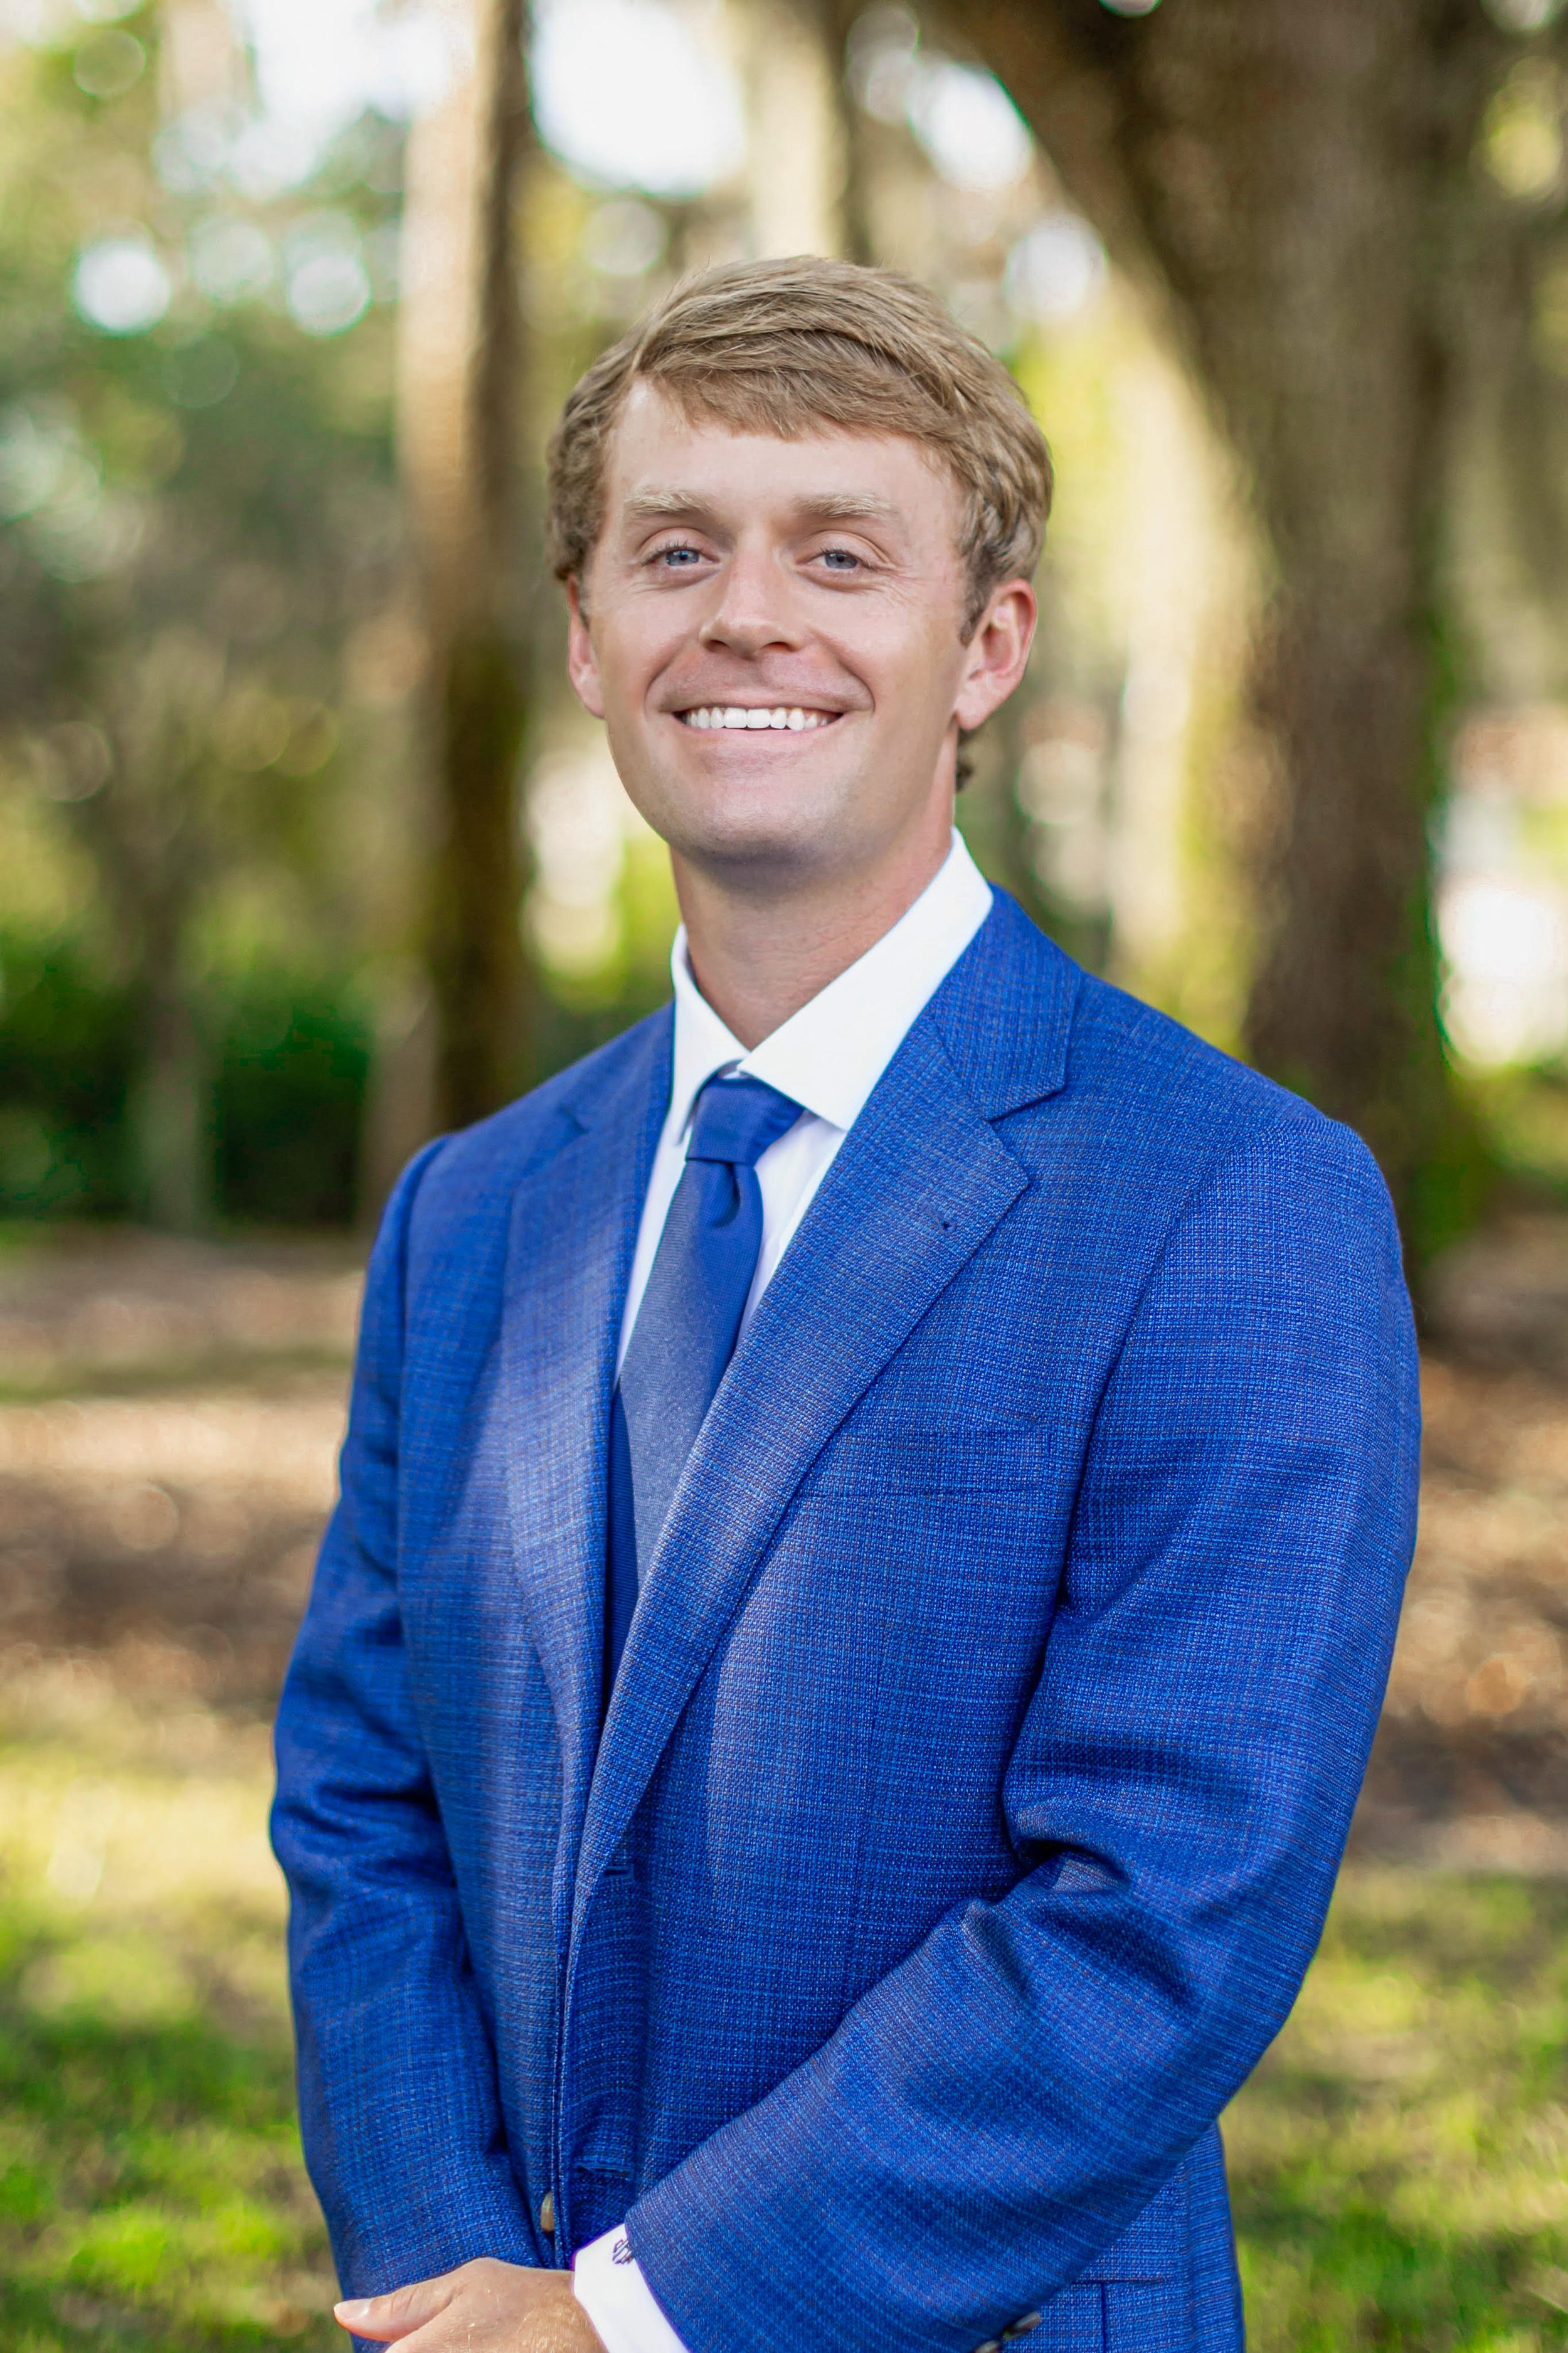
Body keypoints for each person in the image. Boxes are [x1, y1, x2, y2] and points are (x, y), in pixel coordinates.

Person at [272, 257, 1419, 2353]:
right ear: (586, 635)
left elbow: (1164, 1920)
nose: (747, 617)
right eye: (678, 549)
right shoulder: (470, 1215)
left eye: (839, 554)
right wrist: (456, 2280)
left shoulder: (1236, 1202)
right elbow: (363, 1798)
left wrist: (631, 2322)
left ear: (985, 648)